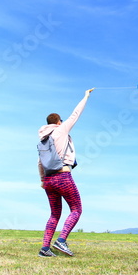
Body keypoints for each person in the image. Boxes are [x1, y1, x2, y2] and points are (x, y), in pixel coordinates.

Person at [37, 88, 94, 257]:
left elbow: (40, 162)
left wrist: (42, 180)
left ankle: (45, 249)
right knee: (76, 209)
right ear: (58, 122)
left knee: (55, 214)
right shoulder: (60, 130)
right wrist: (86, 96)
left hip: (48, 180)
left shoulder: (43, 139)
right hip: (62, 176)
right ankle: (61, 241)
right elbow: (76, 113)